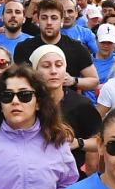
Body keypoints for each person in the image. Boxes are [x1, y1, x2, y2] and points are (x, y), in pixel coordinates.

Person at [34, 44, 102, 172]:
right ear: (35, 70)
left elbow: (100, 141)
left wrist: (79, 143)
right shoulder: (28, 103)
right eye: (46, 66)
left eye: (59, 65)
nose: (53, 71)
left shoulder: (81, 104)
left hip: (72, 178)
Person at [18, 0, 99, 95]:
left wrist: (73, 81)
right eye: (44, 18)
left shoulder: (77, 48)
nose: (49, 22)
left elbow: (94, 81)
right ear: (38, 20)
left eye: (54, 18)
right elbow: (16, 79)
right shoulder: (23, 47)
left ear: (62, 21)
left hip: (66, 105)